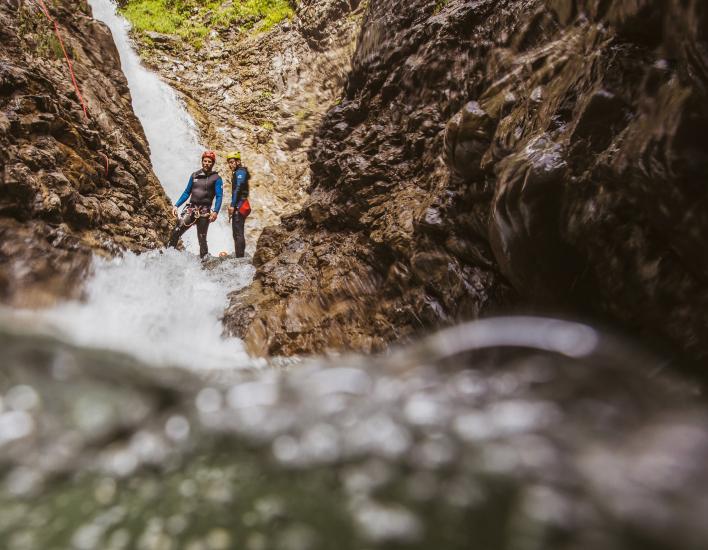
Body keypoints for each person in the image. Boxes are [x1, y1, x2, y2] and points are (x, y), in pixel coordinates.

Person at [168, 150, 223, 259]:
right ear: (202, 161)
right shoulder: (194, 175)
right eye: (205, 161)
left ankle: (204, 263)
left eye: (209, 161)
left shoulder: (216, 178)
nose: (206, 163)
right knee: (176, 230)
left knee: (202, 238)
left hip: (205, 212)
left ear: (213, 163)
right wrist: (176, 205)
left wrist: (216, 211)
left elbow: (219, 196)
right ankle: (168, 255)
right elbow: (186, 192)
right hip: (191, 209)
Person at [226, 151, 250, 258]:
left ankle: (240, 258)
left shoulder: (240, 172)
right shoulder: (239, 172)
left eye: (232, 162)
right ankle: (239, 256)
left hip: (239, 205)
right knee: (236, 232)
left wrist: (232, 205)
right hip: (240, 204)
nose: (230, 165)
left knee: (238, 232)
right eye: (229, 163)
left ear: (238, 161)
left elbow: (238, 188)